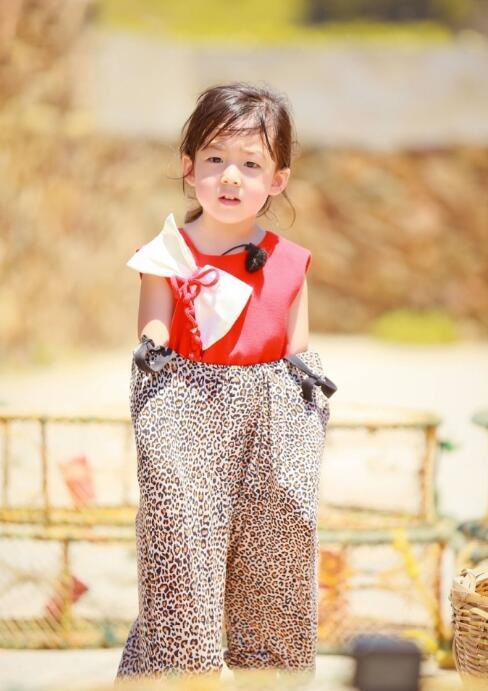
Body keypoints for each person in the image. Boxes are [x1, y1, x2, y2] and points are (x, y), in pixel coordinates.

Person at [114, 81, 336, 685]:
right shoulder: (166, 255)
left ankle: (270, 673)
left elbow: (297, 352)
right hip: (187, 407)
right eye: (214, 159)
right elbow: (153, 334)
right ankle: (178, 672)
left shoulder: (290, 261)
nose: (230, 177)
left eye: (250, 164)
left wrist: (302, 417)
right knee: (180, 539)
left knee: (277, 542)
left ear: (278, 179)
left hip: (272, 411)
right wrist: (156, 346)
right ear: (189, 169)